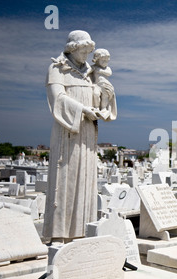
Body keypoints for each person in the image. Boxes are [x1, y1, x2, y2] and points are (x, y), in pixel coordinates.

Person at [43, 30, 116, 244]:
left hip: (88, 132)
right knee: (66, 179)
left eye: (88, 52)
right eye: (83, 51)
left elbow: (101, 97)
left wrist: (104, 95)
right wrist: (83, 110)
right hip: (68, 131)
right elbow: (57, 99)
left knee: (86, 180)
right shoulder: (57, 68)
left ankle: (82, 232)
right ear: (73, 49)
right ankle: (59, 234)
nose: (86, 56)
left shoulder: (90, 72)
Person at [91, 48, 117, 121]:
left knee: (105, 97)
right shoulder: (93, 67)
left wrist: (99, 70)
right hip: (97, 85)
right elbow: (86, 72)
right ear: (97, 60)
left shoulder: (107, 68)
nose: (105, 62)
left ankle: (103, 108)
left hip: (106, 86)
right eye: (103, 60)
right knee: (96, 94)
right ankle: (96, 107)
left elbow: (109, 73)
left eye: (106, 60)